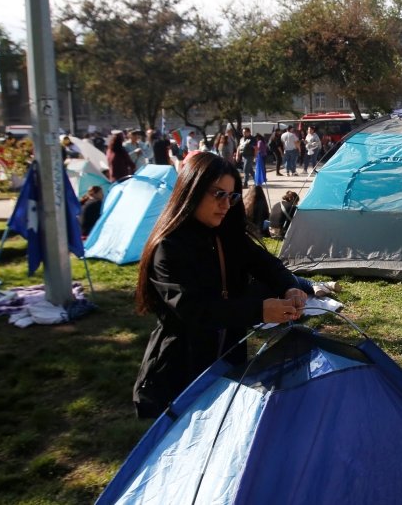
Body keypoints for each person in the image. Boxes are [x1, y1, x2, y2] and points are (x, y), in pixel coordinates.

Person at [131, 153, 310, 419]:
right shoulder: (168, 247)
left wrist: (290, 287)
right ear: (192, 191)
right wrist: (259, 311)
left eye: (232, 196)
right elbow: (195, 310)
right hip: (180, 370)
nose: (226, 204)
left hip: (227, 361)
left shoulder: (228, 235)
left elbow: (268, 265)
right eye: (218, 194)